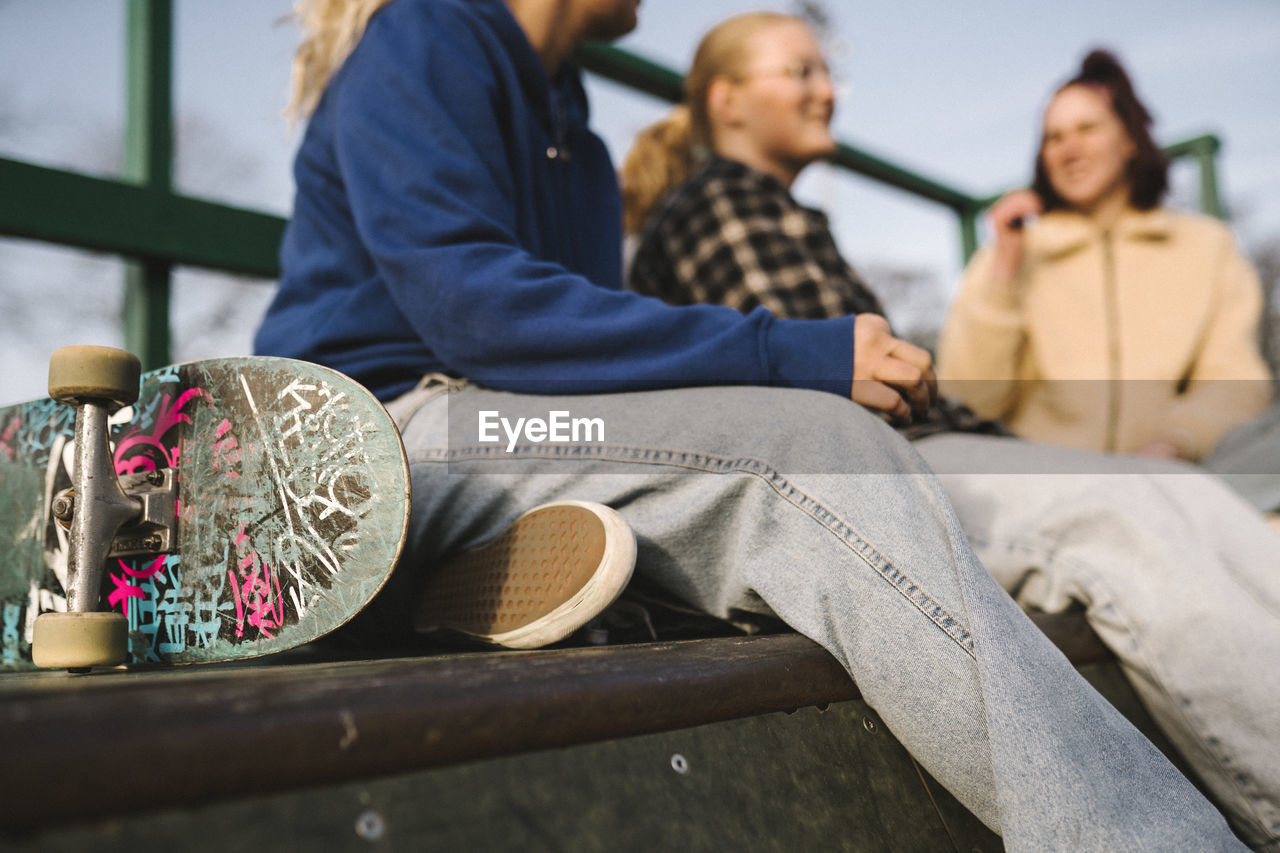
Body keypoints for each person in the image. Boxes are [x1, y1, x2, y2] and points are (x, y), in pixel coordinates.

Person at [253, 1, 1254, 848]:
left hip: (515, 430)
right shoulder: (425, 31)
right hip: (386, 433)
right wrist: (791, 354)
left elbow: (591, 366)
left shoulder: (581, 141)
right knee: (818, 451)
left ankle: (443, 580)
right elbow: (479, 309)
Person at [622, 13, 1279, 850]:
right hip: (890, 465)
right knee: (1123, 513)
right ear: (729, 100)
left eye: (826, 71)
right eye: (800, 72)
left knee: (1182, 493)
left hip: (966, 448)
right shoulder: (719, 205)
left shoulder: (1202, 244)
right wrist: (997, 285)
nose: (828, 90)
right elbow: (895, 394)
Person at [935, 49, 1280, 517]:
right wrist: (1004, 281)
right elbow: (969, 402)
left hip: (1182, 476)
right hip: (1053, 497)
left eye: (1087, 129)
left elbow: (1235, 382)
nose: (1068, 148)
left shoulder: (1207, 246)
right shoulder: (1007, 257)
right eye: (1053, 136)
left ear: (1130, 140)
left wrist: (1172, 445)